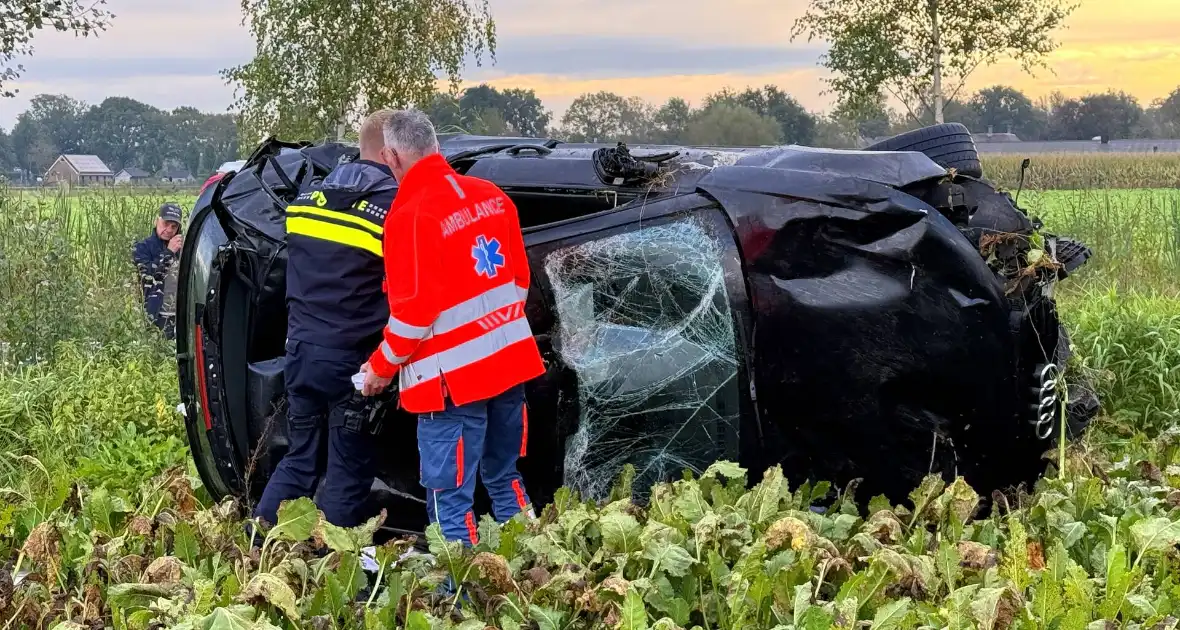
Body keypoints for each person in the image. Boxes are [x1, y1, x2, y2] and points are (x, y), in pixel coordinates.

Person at [359, 109, 545, 546]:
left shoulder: (409, 215)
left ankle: (460, 597)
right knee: (504, 477)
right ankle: (541, 567)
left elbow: (412, 317)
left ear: (391, 156)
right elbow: (519, 281)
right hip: (510, 365)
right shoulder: (492, 196)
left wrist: (379, 369)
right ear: (435, 146)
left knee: (450, 498)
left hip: (453, 386)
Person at [253, 110, 398, 529]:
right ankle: (333, 570)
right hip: (352, 363)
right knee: (346, 472)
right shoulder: (391, 208)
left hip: (300, 352)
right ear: (391, 153)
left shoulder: (306, 202)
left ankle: (255, 546)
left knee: (300, 459)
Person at [132, 203, 184, 338]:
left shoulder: (182, 247)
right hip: (156, 315)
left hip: (181, 315)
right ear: (157, 221)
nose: (168, 230)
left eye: (174, 226)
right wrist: (169, 252)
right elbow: (149, 276)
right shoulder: (142, 247)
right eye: (166, 224)